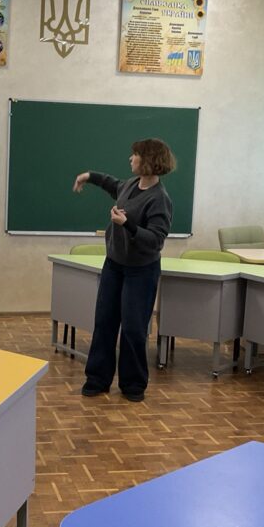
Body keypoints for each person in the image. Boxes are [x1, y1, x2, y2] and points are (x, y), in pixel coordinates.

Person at [72, 138, 176, 402]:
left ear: (148, 160)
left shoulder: (159, 199)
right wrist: (89, 176)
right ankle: (97, 379)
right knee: (104, 322)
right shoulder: (131, 184)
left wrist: (127, 224)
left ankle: (133, 385)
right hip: (114, 265)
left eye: (135, 155)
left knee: (133, 329)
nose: (131, 158)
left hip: (141, 271)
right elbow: (112, 184)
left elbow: (156, 240)